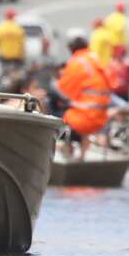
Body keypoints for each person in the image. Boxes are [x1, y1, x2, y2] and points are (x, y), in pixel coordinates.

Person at [55, 30, 114, 161]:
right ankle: (82, 155)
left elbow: (62, 90)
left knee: (57, 112)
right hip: (101, 116)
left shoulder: (76, 63)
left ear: (71, 47)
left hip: (84, 117)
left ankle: (67, 149)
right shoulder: (96, 58)